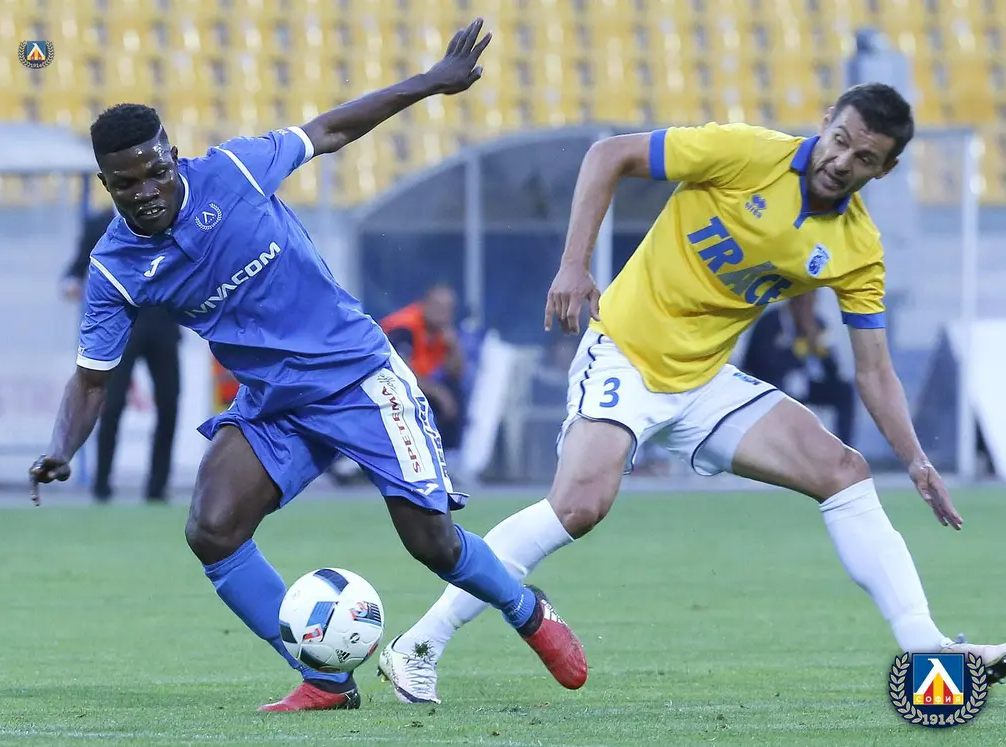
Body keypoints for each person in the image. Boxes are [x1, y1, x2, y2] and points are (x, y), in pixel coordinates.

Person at [377, 83, 1006, 704]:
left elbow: (874, 371)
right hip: (625, 352)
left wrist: (916, 460)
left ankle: (927, 646)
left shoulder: (858, 248)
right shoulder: (745, 153)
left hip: (703, 380)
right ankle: (421, 643)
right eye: (839, 140)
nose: (842, 161)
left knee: (844, 472)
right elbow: (608, 155)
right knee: (578, 506)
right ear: (825, 122)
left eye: (864, 157)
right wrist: (574, 264)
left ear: (884, 170)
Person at [28, 18, 586, 712]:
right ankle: (325, 679)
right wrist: (61, 448)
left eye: (155, 172)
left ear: (175, 155)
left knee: (433, 544)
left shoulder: (233, 170)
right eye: (125, 184)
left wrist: (430, 83)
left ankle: (528, 609)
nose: (145, 191)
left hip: (358, 378)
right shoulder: (116, 267)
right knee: (212, 528)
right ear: (105, 184)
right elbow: (92, 379)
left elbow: (329, 130)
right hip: (274, 402)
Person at [63, 206, 181, 502]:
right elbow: (78, 265)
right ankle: (102, 484)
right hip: (121, 328)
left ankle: (157, 488)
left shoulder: (167, 214)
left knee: (169, 404)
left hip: (163, 324)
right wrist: (71, 282)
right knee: (111, 405)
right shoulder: (99, 224)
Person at [742, 291, 856, 446]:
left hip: (804, 383)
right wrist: (799, 348)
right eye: (804, 303)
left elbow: (832, 371)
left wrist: (819, 348)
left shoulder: (818, 324)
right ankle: (781, 446)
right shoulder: (770, 322)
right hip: (771, 384)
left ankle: (844, 447)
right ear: (793, 301)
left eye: (812, 303)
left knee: (844, 390)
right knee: (781, 386)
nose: (808, 308)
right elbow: (763, 363)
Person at [380, 285, 466, 453]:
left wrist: (454, 347)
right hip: (388, 388)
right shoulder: (404, 327)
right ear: (424, 304)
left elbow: (457, 372)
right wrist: (437, 392)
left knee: (455, 389)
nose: (443, 314)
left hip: (420, 384)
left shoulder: (442, 332)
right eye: (438, 307)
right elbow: (399, 372)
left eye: (448, 309)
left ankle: (450, 453)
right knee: (439, 397)